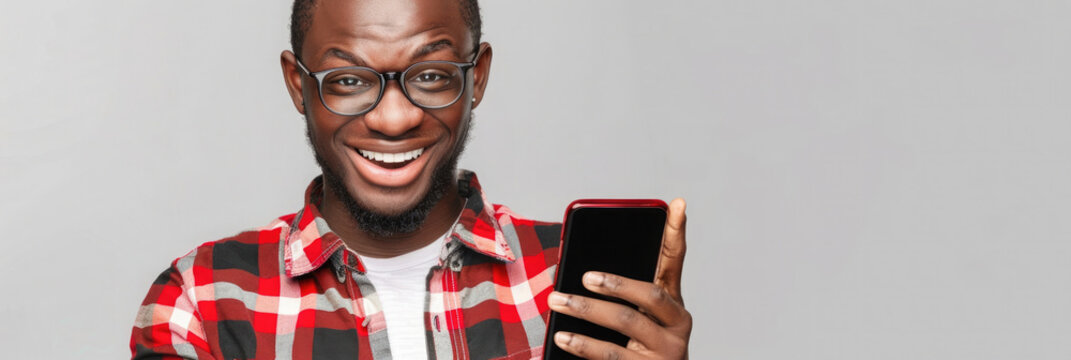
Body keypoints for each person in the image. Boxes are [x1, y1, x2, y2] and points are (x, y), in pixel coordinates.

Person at [130, 0, 692, 359]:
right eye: (348, 80)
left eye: (431, 76)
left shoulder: (574, 284)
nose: (394, 119)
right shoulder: (202, 299)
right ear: (298, 85)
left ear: (479, 78)